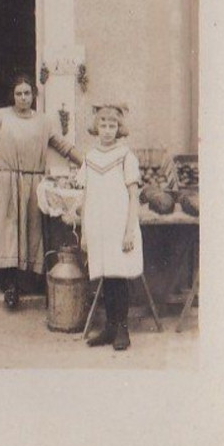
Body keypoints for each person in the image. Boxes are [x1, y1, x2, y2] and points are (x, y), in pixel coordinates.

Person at [0, 73, 82, 310]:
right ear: (12, 96)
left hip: (34, 181)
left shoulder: (44, 121)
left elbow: (63, 146)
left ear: (34, 96)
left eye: (27, 93)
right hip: (6, 179)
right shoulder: (0, 116)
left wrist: (88, 163)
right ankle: (9, 287)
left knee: (31, 232)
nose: (23, 97)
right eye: (18, 93)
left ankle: (27, 283)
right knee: (7, 232)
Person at [78, 101, 143, 351]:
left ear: (119, 128)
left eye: (112, 124)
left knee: (118, 276)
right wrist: (84, 232)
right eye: (103, 124)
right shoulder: (90, 157)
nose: (107, 129)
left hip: (119, 225)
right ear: (96, 127)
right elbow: (85, 196)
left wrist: (129, 230)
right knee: (105, 275)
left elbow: (133, 196)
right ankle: (108, 328)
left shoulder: (126, 156)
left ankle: (122, 329)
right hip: (98, 225)